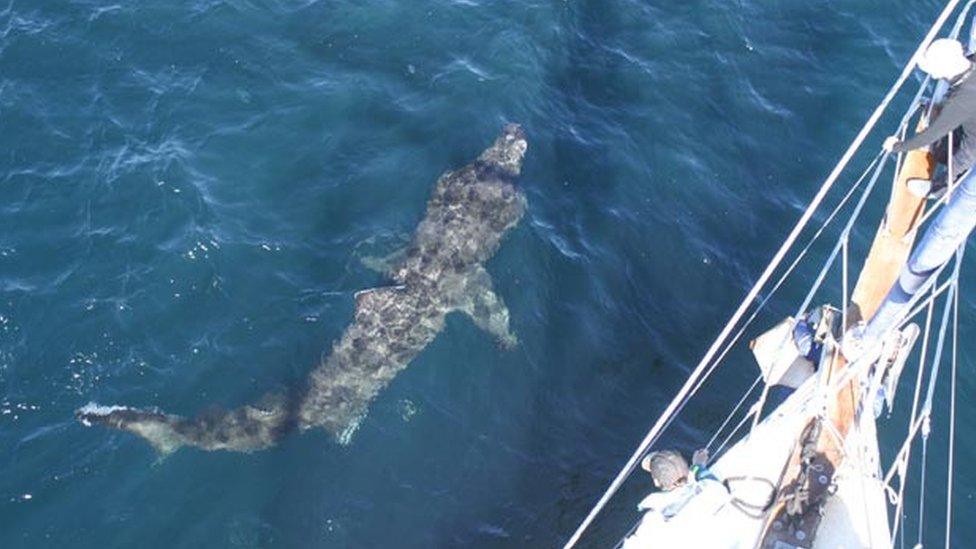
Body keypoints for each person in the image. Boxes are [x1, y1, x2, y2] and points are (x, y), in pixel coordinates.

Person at [883, 38, 976, 198]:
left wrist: (897, 146)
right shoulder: (971, 62)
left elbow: (930, 135)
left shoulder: (962, 100)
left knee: (958, 162)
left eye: (934, 70)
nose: (932, 75)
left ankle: (938, 189)